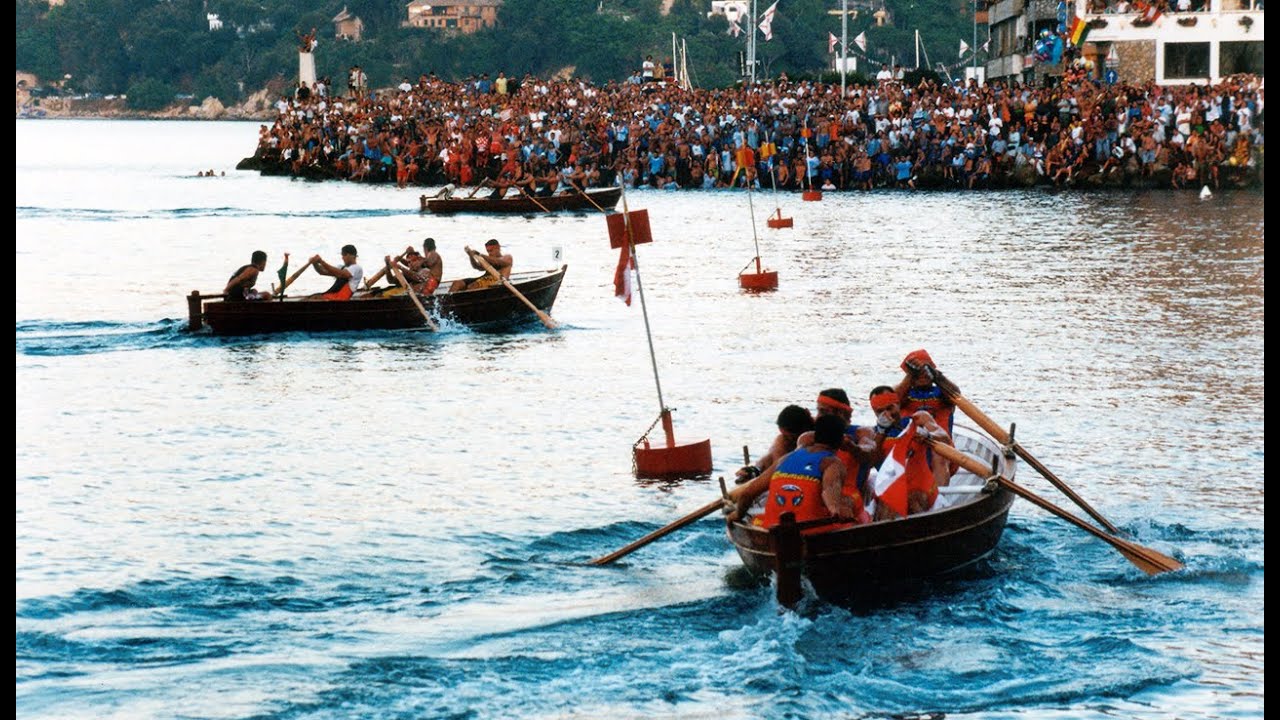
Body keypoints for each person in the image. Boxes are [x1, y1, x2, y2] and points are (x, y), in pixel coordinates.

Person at [728, 414, 869, 533]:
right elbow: (829, 494)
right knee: (854, 509)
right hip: (810, 531)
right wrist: (838, 509)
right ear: (840, 440)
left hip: (773, 528)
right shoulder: (833, 463)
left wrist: (737, 514)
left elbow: (748, 494)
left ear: (815, 436)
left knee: (754, 519)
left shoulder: (784, 459)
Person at [735, 404, 815, 484]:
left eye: (789, 437)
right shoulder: (783, 440)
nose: (785, 439)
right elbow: (771, 457)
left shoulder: (815, 434)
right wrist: (756, 469)